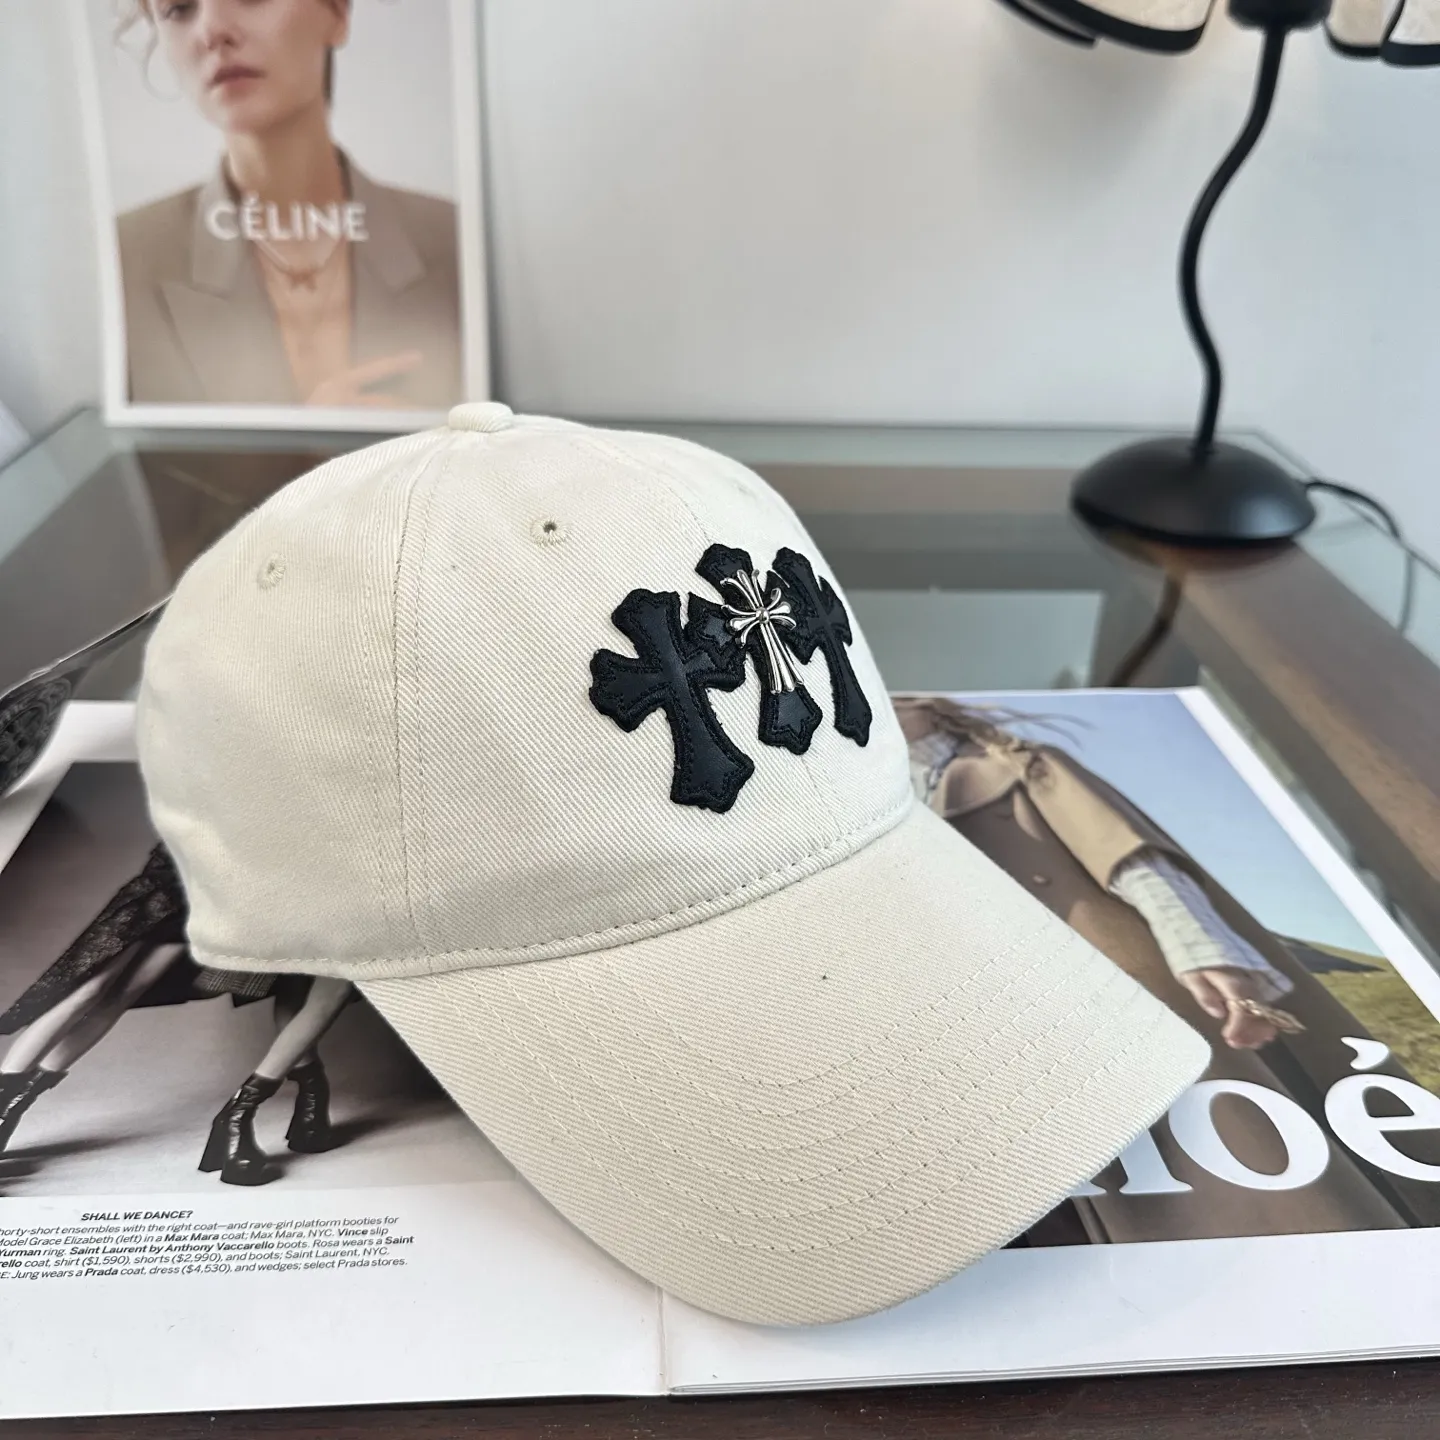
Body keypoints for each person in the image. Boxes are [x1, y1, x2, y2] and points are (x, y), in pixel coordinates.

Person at [894, 696, 1440, 1241]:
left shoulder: (1023, 764)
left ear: (924, 709)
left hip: (1110, 979)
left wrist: (1202, 949)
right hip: (1007, 1010)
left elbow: (1132, 856)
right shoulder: (894, 798)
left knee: (1231, 1139)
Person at [112, 0, 463, 408]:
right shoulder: (120, 263)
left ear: (338, 13)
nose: (212, 31)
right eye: (178, 8)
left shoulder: (460, 244)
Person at [0, 844, 353, 1186]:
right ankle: (6, 1104)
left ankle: (13, 1107)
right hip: (183, 870)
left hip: (222, 889)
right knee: (89, 990)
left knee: (122, 994)